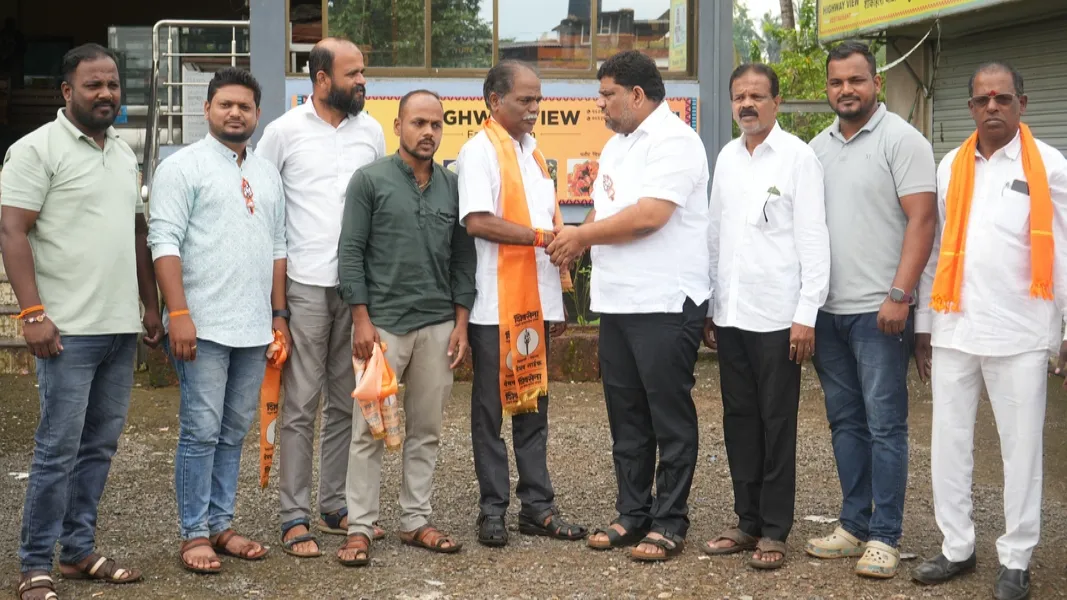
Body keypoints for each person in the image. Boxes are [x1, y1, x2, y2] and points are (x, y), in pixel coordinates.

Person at [1, 43, 161, 600]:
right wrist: (32, 313)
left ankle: (77, 551)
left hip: (118, 328)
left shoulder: (122, 151)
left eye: (113, 84)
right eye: (94, 85)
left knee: (99, 447)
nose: (106, 93)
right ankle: (34, 564)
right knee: (56, 450)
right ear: (68, 91)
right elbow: (12, 231)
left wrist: (150, 307)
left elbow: (137, 233)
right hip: (66, 332)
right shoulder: (35, 149)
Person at [910, 62, 1067, 600]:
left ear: (1022, 102)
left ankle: (1016, 558)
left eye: (1002, 97)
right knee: (948, 444)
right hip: (955, 326)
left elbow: (1064, 251)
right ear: (971, 108)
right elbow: (937, 247)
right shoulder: (951, 165)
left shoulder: (1050, 165)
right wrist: (924, 324)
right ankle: (957, 546)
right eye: (982, 100)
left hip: (1020, 332)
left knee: (1020, 450)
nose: (992, 106)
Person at [548, 49, 711, 562]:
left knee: (668, 416)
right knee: (626, 416)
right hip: (618, 302)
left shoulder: (676, 141)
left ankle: (670, 521)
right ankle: (633, 513)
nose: (600, 104)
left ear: (637, 95)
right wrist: (573, 241)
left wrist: (582, 238)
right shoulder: (616, 146)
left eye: (607, 94)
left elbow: (649, 216)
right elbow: (607, 209)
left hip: (664, 301)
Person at [147, 67, 289, 575]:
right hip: (201, 327)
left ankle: (221, 524)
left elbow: (278, 247)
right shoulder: (181, 167)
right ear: (207, 109)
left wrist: (279, 315)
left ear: (257, 114)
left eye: (244, 106)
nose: (235, 113)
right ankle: (194, 534)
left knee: (233, 431)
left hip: (254, 327)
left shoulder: (267, 173)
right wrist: (178, 313)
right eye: (225, 104)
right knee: (201, 431)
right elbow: (162, 241)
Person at [804, 40, 937, 579]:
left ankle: (885, 536)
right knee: (845, 423)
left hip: (880, 312)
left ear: (875, 83)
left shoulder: (902, 140)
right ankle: (853, 525)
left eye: (856, 80)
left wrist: (900, 295)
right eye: (837, 82)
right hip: (828, 312)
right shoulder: (816, 148)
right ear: (827, 88)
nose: (846, 90)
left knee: (885, 425)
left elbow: (923, 221)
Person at [256, 37, 386, 558]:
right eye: (353, 73)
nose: (362, 81)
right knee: (301, 404)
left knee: (346, 402)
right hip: (305, 285)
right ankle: (293, 515)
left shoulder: (371, 131)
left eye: (363, 72)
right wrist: (275, 304)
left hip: (357, 291)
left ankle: (334, 505)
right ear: (322, 78)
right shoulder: (282, 133)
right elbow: (265, 210)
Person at [337, 89, 476, 567]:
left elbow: (463, 260)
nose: (428, 132)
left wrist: (461, 322)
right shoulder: (370, 180)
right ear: (398, 126)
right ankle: (359, 527)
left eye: (436, 125)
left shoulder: (452, 186)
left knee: (427, 428)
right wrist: (360, 318)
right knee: (368, 430)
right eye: (418, 123)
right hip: (383, 327)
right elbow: (350, 251)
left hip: (438, 325)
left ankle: (416, 520)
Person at [700, 63, 830, 570]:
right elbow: (715, 236)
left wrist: (806, 314)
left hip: (779, 317)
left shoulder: (799, 158)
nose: (746, 104)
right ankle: (746, 520)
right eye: (739, 96)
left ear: (777, 102)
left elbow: (814, 240)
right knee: (739, 421)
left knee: (777, 423)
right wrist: (712, 306)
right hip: (732, 314)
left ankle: (775, 529)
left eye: (756, 95)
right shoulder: (727, 158)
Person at [456, 59, 588, 548]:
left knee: (534, 408)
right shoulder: (479, 151)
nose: (535, 108)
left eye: (538, 99)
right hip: (495, 308)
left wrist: (558, 303)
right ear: (495, 101)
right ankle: (492, 510)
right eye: (525, 100)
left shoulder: (533, 153)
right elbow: (477, 221)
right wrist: (538, 237)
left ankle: (538, 508)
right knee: (490, 414)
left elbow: (550, 224)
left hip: (536, 303)